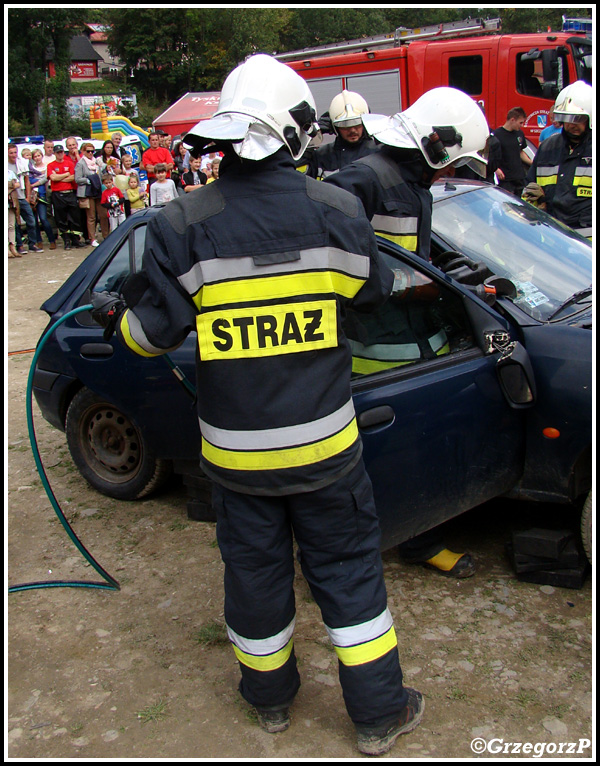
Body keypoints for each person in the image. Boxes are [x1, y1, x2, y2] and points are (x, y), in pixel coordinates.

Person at [91, 53, 423, 757]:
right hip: (328, 455)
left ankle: (270, 704)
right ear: (298, 131)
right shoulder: (336, 210)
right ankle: (377, 717)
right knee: (349, 576)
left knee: (254, 576)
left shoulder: (181, 223)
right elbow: (378, 289)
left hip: (237, 459)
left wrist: (116, 317)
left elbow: (149, 338)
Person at [326, 87, 490, 578]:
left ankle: (417, 539)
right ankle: (337, 560)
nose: (448, 172)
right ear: (433, 144)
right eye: (450, 162)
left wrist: (446, 269)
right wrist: (395, 286)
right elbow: (330, 251)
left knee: (410, 447)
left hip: (408, 334)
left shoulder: (412, 181)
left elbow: (406, 250)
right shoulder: (363, 179)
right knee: (364, 457)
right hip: (371, 340)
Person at [524, 80, 592, 239]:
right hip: (552, 241)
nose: (572, 124)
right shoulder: (548, 147)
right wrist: (534, 201)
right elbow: (528, 188)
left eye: (578, 118)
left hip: (587, 246)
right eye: (567, 118)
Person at [305, 90, 378, 179]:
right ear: (335, 127)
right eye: (345, 125)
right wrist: (310, 138)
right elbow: (298, 178)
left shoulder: (378, 152)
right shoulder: (322, 156)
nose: (352, 130)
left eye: (356, 123)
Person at [7, 143, 43, 253]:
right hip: (11, 198)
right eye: (11, 153)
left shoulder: (21, 163)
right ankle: (19, 245)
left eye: (15, 152)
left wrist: (28, 196)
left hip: (22, 196)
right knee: (15, 223)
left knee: (31, 220)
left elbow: (26, 180)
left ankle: (32, 243)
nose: (13, 155)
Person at [47, 144, 84, 249]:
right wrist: (65, 175)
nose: (60, 154)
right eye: (58, 152)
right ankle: (66, 240)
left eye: (61, 152)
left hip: (70, 192)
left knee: (74, 217)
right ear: (54, 154)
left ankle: (75, 240)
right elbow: (53, 178)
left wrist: (60, 177)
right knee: (61, 218)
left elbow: (73, 177)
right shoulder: (51, 165)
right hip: (58, 194)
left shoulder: (69, 163)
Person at [492, 107, 532, 197]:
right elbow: (490, 155)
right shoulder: (497, 135)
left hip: (519, 177)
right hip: (505, 178)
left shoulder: (519, 134)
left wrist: (531, 162)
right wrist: (496, 169)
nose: (521, 125)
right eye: (520, 122)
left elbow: (520, 152)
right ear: (512, 120)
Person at [75, 142, 105, 245]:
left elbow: (101, 175)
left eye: (92, 151)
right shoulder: (81, 163)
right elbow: (77, 179)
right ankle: (92, 238)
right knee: (91, 216)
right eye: (88, 151)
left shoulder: (96, 162)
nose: (91, 153)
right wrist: (89, 180)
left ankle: (106, 236)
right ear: (83, 151)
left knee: (102, 214)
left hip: (98, 190)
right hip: (88, 191)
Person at [29, 148, 57, 250]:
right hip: (32, 196)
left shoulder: (47, 167)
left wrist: (33, 184)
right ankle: (39, 240)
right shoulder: (30, 169)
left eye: (38, 156)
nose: (37, 158)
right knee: (34, 220)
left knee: (44, 219)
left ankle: (51, 240)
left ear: (42, 156)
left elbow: (45, 178)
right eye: (35, 156)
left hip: (42, 196)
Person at [8, 169, 21, 258]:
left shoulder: (10, 172)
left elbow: (18, 184)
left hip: (11, 202)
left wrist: (9, 186)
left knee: (11, 225)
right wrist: (11, 185)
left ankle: (13, 246)